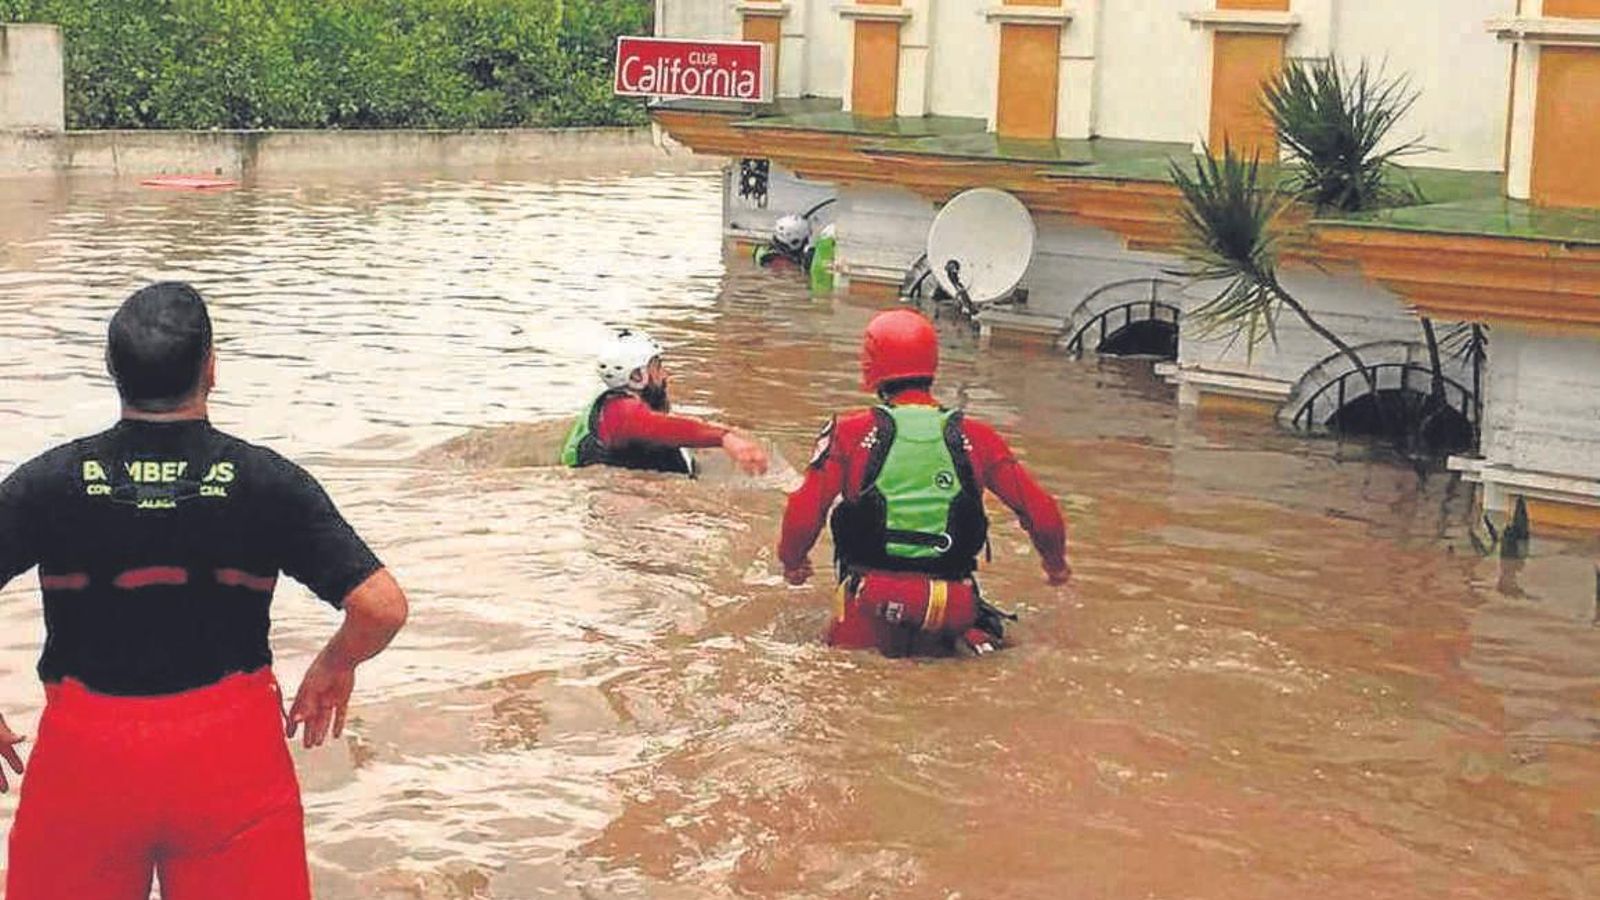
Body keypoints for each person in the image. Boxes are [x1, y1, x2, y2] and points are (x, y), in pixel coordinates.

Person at [0, 282, 408, 900]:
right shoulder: (268, 482)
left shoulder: (46, 483)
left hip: (87, 766)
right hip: (231, 764)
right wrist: (335, 663)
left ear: (112, 370)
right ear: (211, 368)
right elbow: (380, 607)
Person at [778, 308, 1070, 657]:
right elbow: (1042, 513)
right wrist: (1055, 566)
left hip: (867, 608)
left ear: (870, 365)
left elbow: (804, 511)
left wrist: (793, 562)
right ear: (932, 364)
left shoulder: (849, 433)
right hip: (950, 607)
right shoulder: (978, 437)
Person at [561, 329, 769, 477]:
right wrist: (725, 438)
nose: (666, 374)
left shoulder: (612, 405)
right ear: (637, 376)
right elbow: (655, 426)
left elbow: (660, 426)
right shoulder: (623, 413)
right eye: (658, 367)